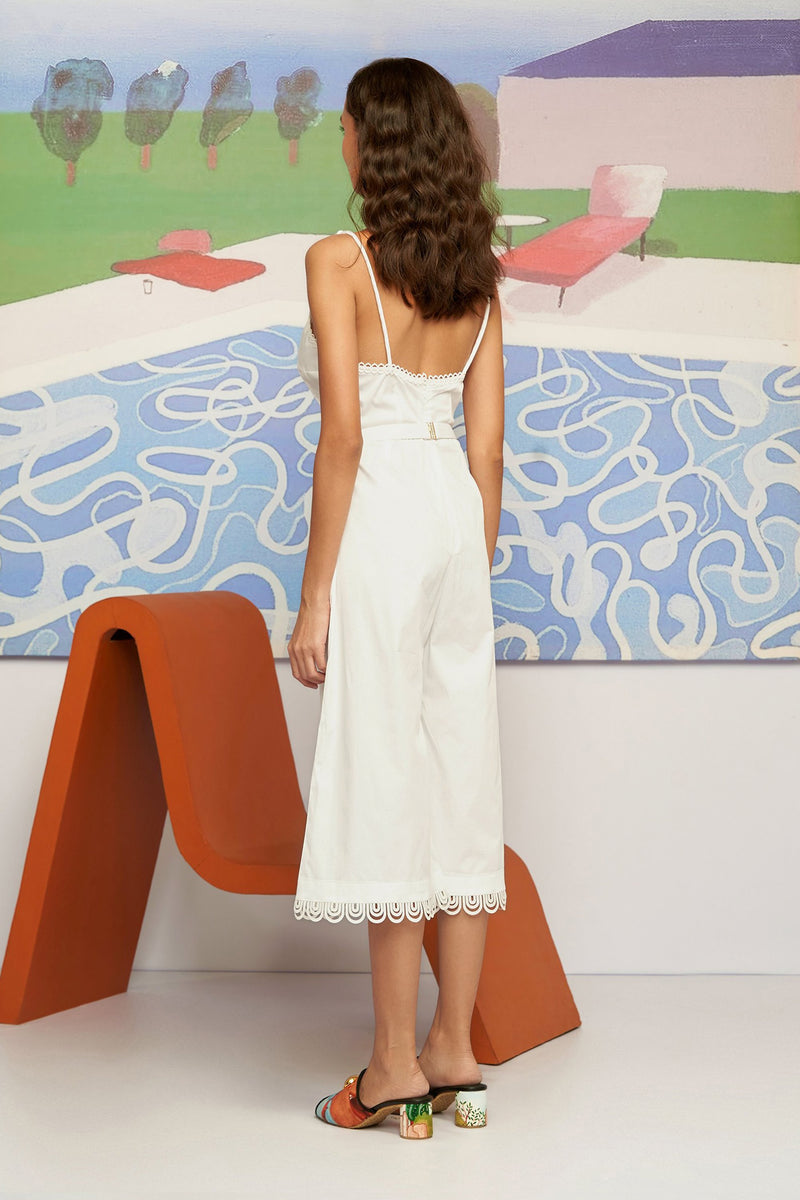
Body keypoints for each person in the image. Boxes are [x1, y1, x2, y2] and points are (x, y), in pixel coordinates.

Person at [288, 57, 506, 1138]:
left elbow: (343, 436)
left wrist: (314, 597)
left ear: (371, 143)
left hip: (378, 521)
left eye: (344, 125)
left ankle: (391, 1068)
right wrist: (466, 561)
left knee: (385, 784)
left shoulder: (338, 262)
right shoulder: (477, 277)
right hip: (456, 524)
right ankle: (454, 1050)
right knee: (460, 785)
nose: (337, 139)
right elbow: (488, 447)